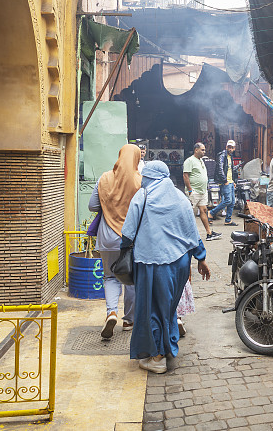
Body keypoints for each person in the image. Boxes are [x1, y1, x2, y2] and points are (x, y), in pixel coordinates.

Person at [121, 161, 211, 373]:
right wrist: (201, 258)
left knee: (151, 308)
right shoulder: (180, 197)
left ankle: (158, 358)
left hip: (152, 262)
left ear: (150, 176)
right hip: (179, 264)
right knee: (168, 308)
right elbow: (192, 233)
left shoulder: (142, 196)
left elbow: (127, 234)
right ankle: (167, 346)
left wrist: (124, 253)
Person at [88, 144, 140, 339]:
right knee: (130, 279)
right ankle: (129, 320)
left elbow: (93, 205)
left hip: (107, 238)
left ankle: (111, 312)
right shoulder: (139, 181)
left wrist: (109, 204)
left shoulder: (104, 178)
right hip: (129, 238)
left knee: (110, 277)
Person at [182, 142, 220, 241]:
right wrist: (190, 190)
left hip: (203, 191)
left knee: (204, 210)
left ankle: (209, 233)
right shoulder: (189, 161)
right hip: (194, 191)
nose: (204, 151)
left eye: (204, 150)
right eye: (202, 150)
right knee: (190, 214)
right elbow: (185, 176)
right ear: (196, 150)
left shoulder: (201, 160)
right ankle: (187, 236)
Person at [209, 139, 238, 226]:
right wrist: (225, 180)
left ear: (234, 148)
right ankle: (211, 213)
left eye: (232, 148)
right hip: (225, 182)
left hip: (230, 182)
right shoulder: (222, 155)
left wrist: (233, 181)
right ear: (226, 147)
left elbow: (230, 170)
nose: (230, 149)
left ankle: (228, 220)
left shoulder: (231, 156)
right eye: (229, 147)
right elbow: (220, 169)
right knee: (227, 201)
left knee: (232, 202)